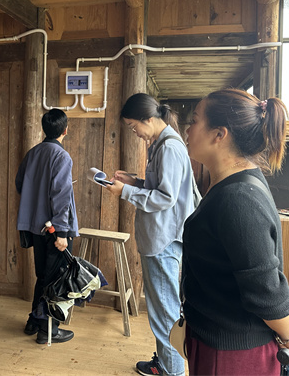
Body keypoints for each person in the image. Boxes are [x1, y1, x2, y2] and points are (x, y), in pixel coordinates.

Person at [182, 88, 289, 376]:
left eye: (194, 121)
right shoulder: (232, 185)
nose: (188, 129)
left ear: (219, 134)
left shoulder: (239, 198)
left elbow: (266, 289)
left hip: (233, 357)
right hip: (220, 342)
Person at [105, 93, 197, 376]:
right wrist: (134, 181)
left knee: (165, 314)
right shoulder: (161, 144)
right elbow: (159, 187)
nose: (134, 132)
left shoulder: (169, 147)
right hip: (159, 238)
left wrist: (126, 191)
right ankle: (165, 365)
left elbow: (166, 197)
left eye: (134, 126)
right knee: (161, 311)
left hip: (163, 240)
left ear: (148, 119)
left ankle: (172, 372)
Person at [15, 108, 78, 344]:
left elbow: (20, 184)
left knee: (42, 275)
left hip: (36, 226)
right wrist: (62, 232)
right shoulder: (61, 156)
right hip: (54, 229)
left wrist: (36, 201)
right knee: (56, 278)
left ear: (44, 129)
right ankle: (48, 330)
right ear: (65, 130)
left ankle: (34, 321)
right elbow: (61, 195)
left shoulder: (32, 153)